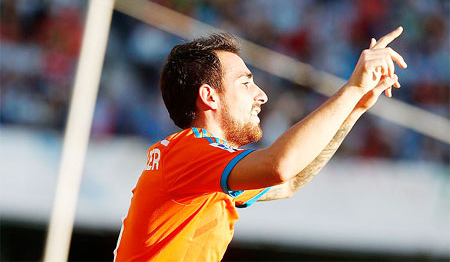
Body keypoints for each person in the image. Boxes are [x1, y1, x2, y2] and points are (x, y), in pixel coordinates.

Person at [114, 28, 407, 261]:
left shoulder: (206, 170)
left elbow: (289, 182)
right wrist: (350, 89)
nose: (261, 95)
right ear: (209, 97)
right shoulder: (189, 152)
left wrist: (353, 108)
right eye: (246, 83)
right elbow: (280, 166)